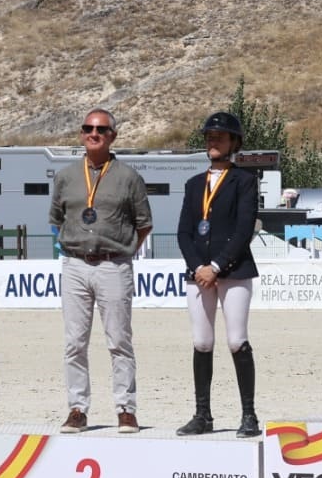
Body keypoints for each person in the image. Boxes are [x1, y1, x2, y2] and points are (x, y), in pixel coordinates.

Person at [49, 108, 151, 434]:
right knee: (73, 342)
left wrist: (123, 252)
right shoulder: (65, 176)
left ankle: (126, 409)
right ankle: (77, 409)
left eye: (101, 129)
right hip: (76, 265)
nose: (94, 134)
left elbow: (143, 224)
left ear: (113, 136)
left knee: (119, 340)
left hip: (113, 265)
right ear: (81, 134)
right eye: (88, 128)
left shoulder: (129, 177)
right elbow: (55, 219)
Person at [176, 111, 263, 437]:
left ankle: (249, 415)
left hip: (234, 270)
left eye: (220, 137)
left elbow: (243, 230)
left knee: (236, 339)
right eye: (210, 137)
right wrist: (199, 266)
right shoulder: (193, 184)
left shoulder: (245, 181)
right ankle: (203, 415)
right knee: (201, 341)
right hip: (199, 273)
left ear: (233, 143)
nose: (213, 142)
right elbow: (184, 232)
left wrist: (216, 267)